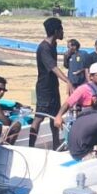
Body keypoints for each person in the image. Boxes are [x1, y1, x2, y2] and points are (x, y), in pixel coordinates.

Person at [30, 17, 68, 149]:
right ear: (56, 31)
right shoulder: (44, 48)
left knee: (54, 116)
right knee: (39, 117)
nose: (63, 32)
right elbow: (53, 67)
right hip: (44, 88)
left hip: (53, 87)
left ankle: (56, 145)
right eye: (62, 29)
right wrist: (67, 81)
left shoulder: (54, 45)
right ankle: (31, 146)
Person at [54, 62, 97, 128]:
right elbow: (68, 103)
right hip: (85, 125)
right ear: (91, 76)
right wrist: (59, 116)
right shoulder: (83, 89)